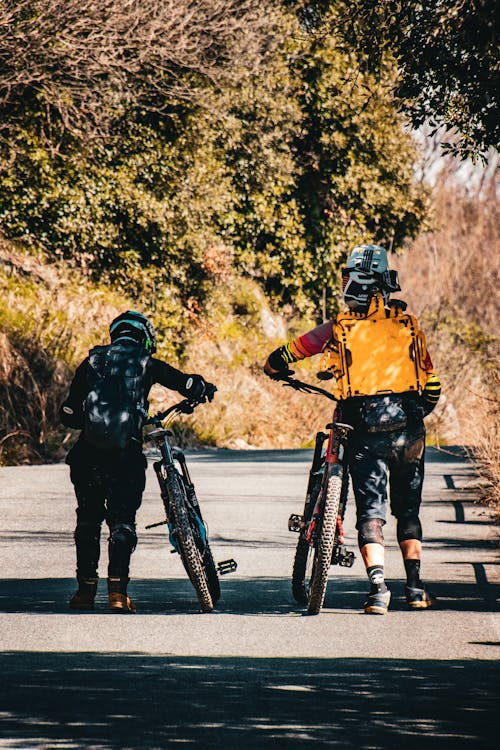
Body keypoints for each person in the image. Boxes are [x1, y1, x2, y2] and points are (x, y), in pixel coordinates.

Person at [264, 245, 441, 615]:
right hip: (410, 431)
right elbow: (433, 383)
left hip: (363, 429)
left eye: (347, 276)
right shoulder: (407, 325)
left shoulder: (339, 327)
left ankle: (378, 590)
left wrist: (274, 366)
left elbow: (288, 353)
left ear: (357, 283)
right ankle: (415, 588)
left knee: (371, 513)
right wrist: (417, 413)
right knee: (408, 511)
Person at [61, 310, 215, 613]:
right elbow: (186, 384)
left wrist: (92, 423)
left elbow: (68, 413)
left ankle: (84, 592)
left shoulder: (91, 362)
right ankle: (118, 594)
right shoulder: (147, 363)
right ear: (144, 337)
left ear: (115, 334)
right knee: (122, 521)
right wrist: (202, 387)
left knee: (88, 520)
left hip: (87, 456)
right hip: (125, 456)